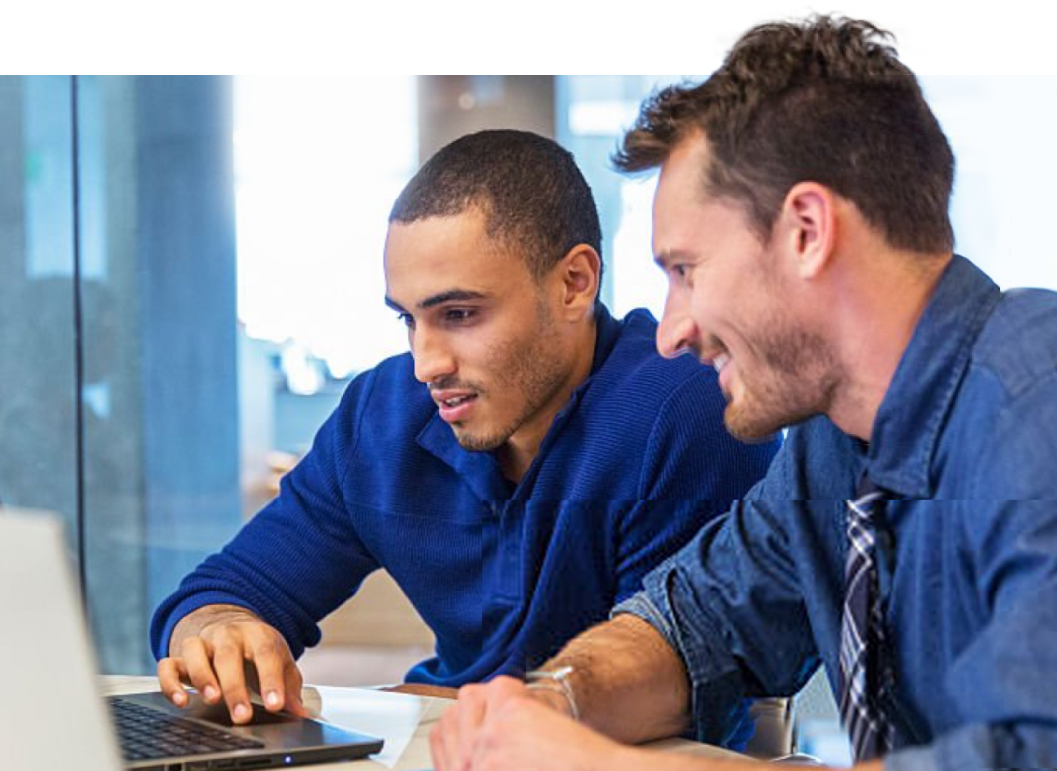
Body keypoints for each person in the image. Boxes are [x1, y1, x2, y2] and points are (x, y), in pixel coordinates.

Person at [431, 17, 1057, 771]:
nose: (671, 332)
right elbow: (693, 623)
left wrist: (603, 763)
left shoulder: (1036, 403)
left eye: (685, 270)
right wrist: (550, 703)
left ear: (806, 231)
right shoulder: (834, 444)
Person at [151, 129, 780, 728]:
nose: (426, 364)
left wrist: (445, 708)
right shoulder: (382, 415)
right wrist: (218, 631)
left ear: (574, 284)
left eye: (458, 314)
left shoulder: (687, 410)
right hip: (443, 737)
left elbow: (673, 676)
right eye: (408, 320)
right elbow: (224, 591)